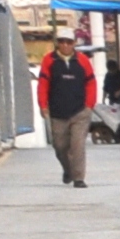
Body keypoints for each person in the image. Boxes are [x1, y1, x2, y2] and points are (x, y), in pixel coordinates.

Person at [38, 35, 99, 187]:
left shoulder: (82, 60)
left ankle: (78, 178)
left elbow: (91, 83)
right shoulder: (49, 60)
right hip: (57, 111)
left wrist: (89, 105)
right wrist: (43, 105)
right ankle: (68, 169)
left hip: (79, 111)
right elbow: (43, 84)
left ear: (74, 43)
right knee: (59, 146)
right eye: (61, 42)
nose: (65, 45)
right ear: (57, 43)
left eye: (69, 42)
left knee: (77, 145)